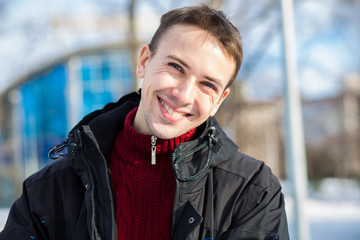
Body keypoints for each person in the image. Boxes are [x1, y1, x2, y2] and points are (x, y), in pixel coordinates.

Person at [0, 5, 289, 240]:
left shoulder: (252, 191)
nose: (183, 94)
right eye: (176, 67)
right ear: (144, 61)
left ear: (220, 100)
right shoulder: (49, 189)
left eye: (207, 84)